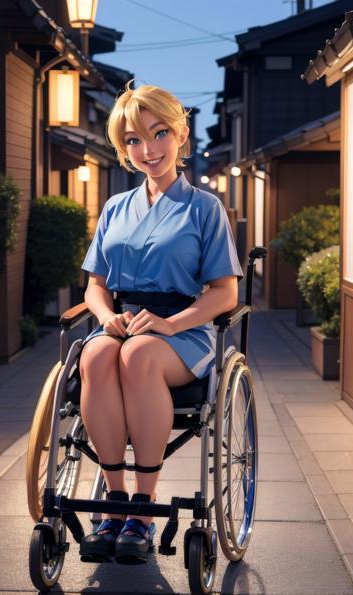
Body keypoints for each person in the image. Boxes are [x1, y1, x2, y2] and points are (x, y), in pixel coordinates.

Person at [78, 80, 243, 565]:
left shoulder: (204, 208)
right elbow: (95, 284)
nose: (147, 149)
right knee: (97, 353)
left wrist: (171, 325)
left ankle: (144, 509)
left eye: (159, 133)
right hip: (122, 321)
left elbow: (224, 292)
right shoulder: (115, 208)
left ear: (181, 134)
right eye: (132, 140)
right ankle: (114, 503)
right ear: (122, 149)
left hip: (183, 328)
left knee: (140, 355)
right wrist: (106, 317)